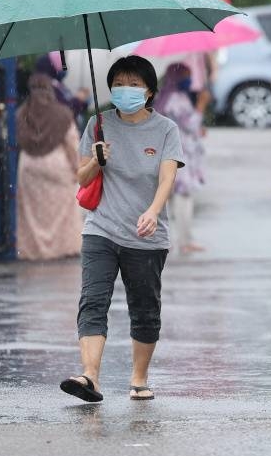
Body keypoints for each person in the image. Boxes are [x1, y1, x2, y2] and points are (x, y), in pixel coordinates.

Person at [59, 55, 184, 403]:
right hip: (101, 228)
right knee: (93, 301)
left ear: (149, 92)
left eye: (133, 84)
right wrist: (97, 161)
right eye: (118, 84)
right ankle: (90, 377)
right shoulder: (97, 124)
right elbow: (80, 178)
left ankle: (139, 377)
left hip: (147, 234)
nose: (124, 90)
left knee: (144, 308)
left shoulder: (165, 129)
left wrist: (153, 211)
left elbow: (167, 177)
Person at [15, 74, 83, 261]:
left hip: (29, 166)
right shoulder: (63, 114)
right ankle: (63, 249)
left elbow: (16, 140)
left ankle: (34, 251)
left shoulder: (22, 113)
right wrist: (78, 169)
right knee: (63, 210)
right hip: (56, 166)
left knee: (31, 214)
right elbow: (72, 144)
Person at [153, 62, 207, 255]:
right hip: (179, 156)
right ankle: (185, 241)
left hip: (169, 154)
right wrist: (201, 106)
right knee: (183, 198)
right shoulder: (177, 100)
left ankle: (165, 239)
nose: (189, 81)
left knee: (166, 199)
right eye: (186, 76)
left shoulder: (164, 98)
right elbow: (189, 125)